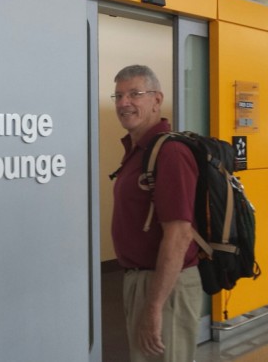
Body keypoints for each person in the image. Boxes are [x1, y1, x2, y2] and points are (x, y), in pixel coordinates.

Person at [110, 64, 203, 362]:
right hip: (141, 281)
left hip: (166, 285)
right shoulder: (138, 151)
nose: (124, 103)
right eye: (119, 95)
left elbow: (179, 235)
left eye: (135, 93)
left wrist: (154, 307)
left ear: (157, 100)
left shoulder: (170, 153)